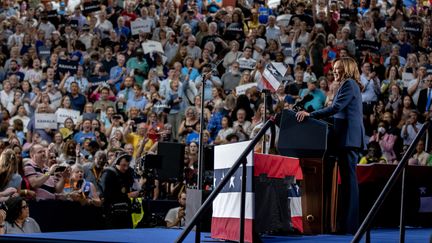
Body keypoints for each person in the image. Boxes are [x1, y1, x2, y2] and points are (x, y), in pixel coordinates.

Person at [296, 57, 366, 234]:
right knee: (348, 181)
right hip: (343, 137)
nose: (334, 71)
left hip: (348, 138)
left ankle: (350, 226)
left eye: (338, 68)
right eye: (333, 68)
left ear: (348, 69)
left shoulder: (349, 84)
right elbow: (337, 113)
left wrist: (311, 115)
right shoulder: (347, 85)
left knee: (350, 182)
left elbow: (336, 109)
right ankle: (345, 224)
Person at [100, 153, 139, 229]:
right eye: (123, 165)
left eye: (127, 165)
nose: (126, 168)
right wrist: (127, 195)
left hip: (125, 211)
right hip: (112, 212)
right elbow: (106, 194)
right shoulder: (108, 173)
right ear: (117, 163)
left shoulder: (128, 173)